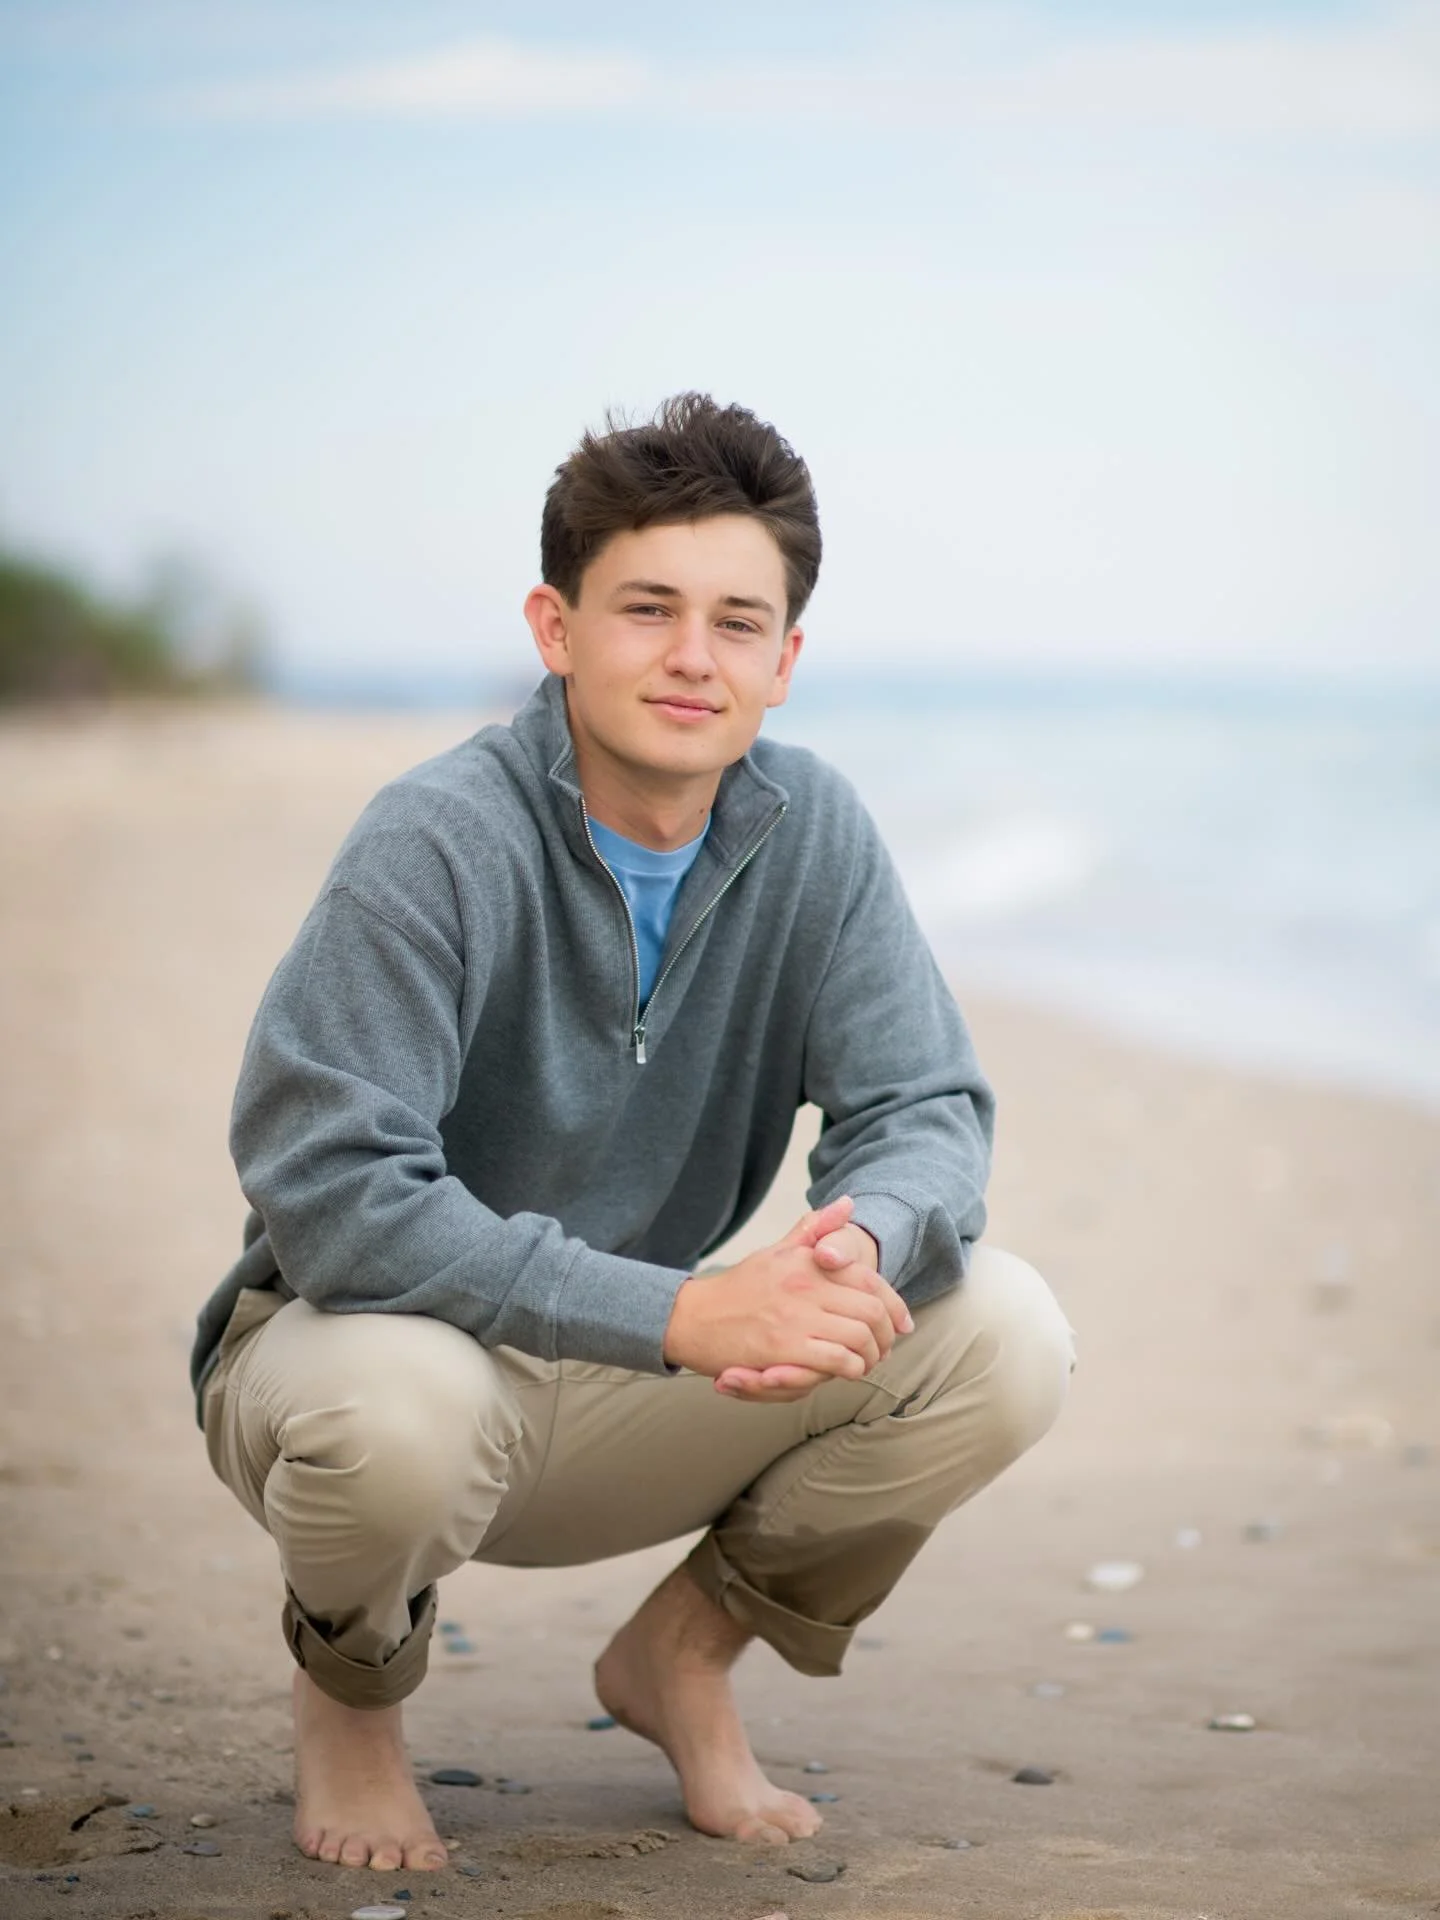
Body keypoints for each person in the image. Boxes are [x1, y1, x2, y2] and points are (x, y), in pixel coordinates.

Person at [190, 391, 1075, 1874]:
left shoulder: (816, 836)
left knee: (1004, 1330)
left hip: (621, 1384)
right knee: (396, 1413)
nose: (690, 656)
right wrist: (679, 1309)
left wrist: (851, 1245)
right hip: (361, 1359)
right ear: (556, 628)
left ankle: (682, 1658)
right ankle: (350, 1697)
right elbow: (334, 1196)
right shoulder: (437, 840)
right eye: (646, 607)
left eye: (738, 621)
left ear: (785, 662)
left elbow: (922, 1108)